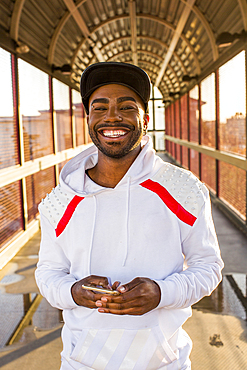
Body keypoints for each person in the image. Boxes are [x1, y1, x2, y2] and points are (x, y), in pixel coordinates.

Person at [35, 62, 224, 370]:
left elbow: (209, 267)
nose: (112, 116)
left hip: (165, 363)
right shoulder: (59, 201)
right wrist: (73, 291)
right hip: (80, 363)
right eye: (100, 108)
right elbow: (47, 274)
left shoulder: (184, 190)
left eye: (126, 106)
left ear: (145, 120)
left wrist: (161, 292)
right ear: (88, 119)